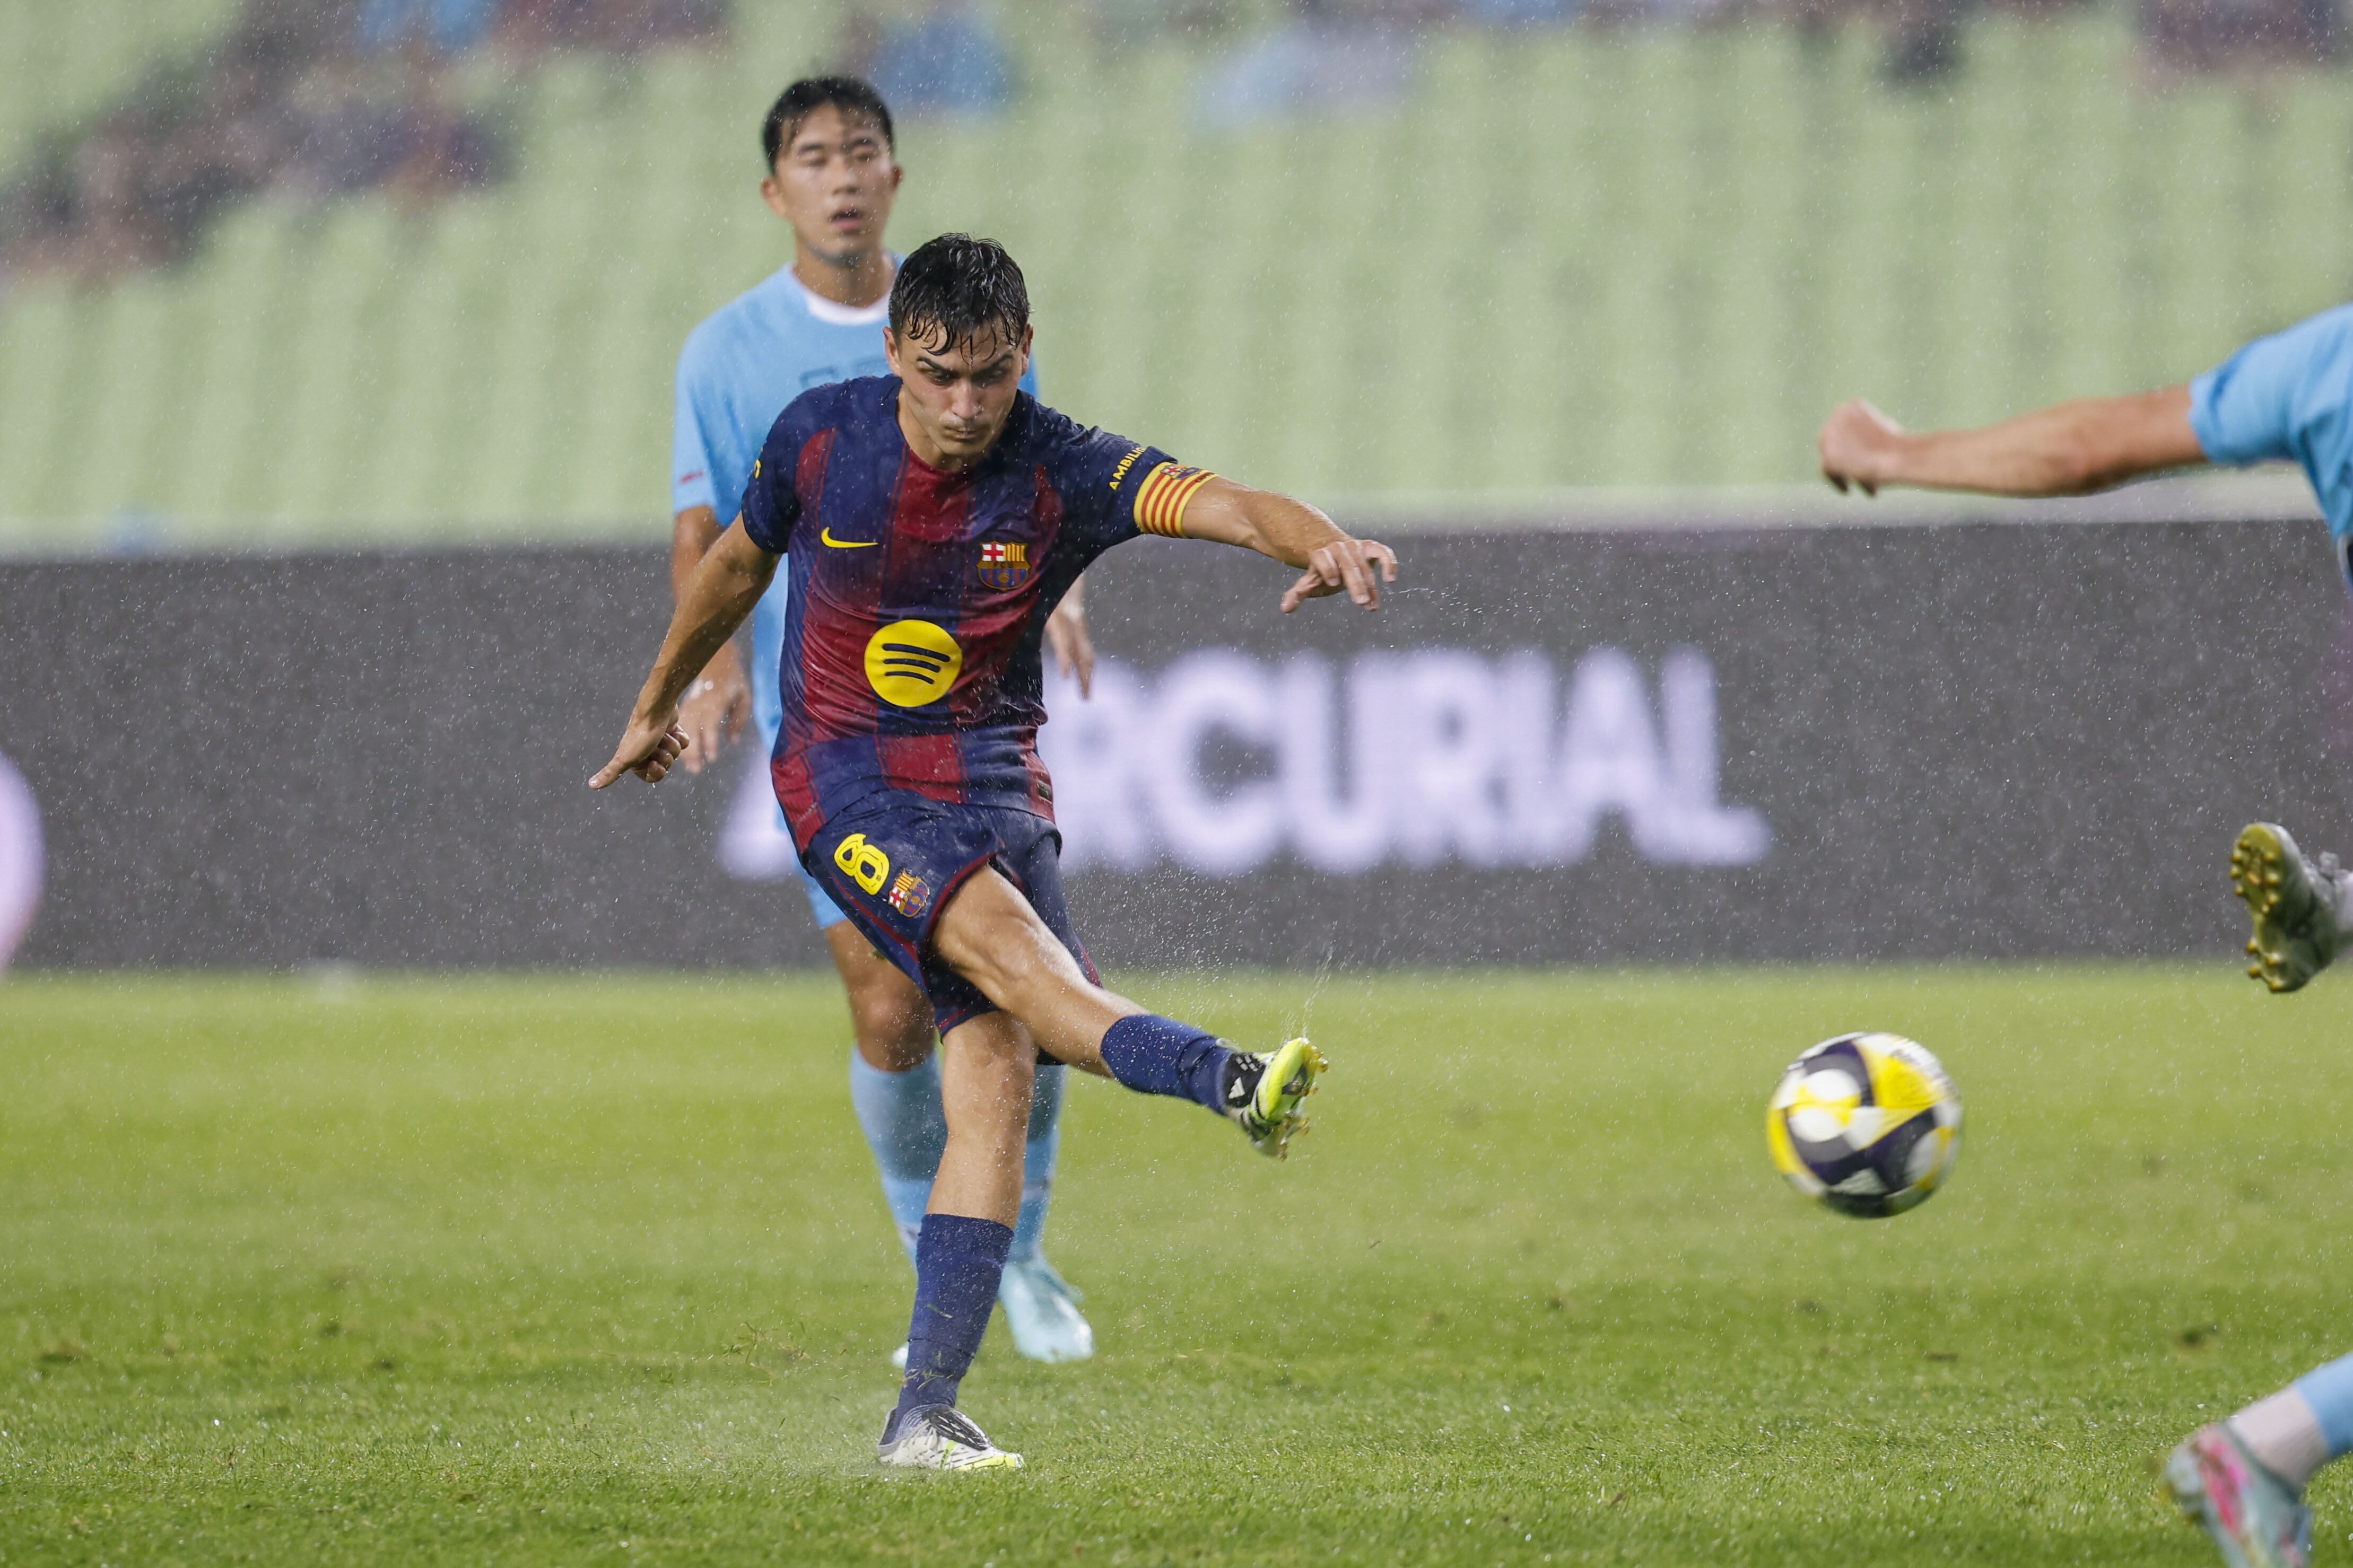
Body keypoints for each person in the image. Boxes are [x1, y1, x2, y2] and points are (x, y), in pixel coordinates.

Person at [595, 232, 1397, 1470]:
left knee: (1000, 1078)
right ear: (892, 359)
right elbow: (736, 564)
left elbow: (1225, 503)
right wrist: (659, 697)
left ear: (1026, 355)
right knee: (1029, 978)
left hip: (993, 785)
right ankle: (1230, 1081)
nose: (967, 405)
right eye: (940, 376)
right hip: (846, 781)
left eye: (991, 375)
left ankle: (925, 1412)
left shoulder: (1063, 464)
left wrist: (1323, 541)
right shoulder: (820, 437)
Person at [1817, 303, 2353, 1567]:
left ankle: (2269, 1450)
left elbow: (2097, 442)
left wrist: (1895, 455)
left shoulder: (2330, 359)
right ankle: (2263, 1450)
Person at [668, 77, 1100, 1365]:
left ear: (896, 175)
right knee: (891, 1013)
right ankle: (941, 1236)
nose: (842, 177)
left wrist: (1062, 600)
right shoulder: (726, 352)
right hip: (833, 723)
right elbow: (706, 530)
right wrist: (706, 671)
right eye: (814, 157)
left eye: (862, 152)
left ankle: (1013, 1253)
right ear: (776, 191)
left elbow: (1042, 472)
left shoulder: (956, 314)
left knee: (1030, 985)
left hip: (972, 706)